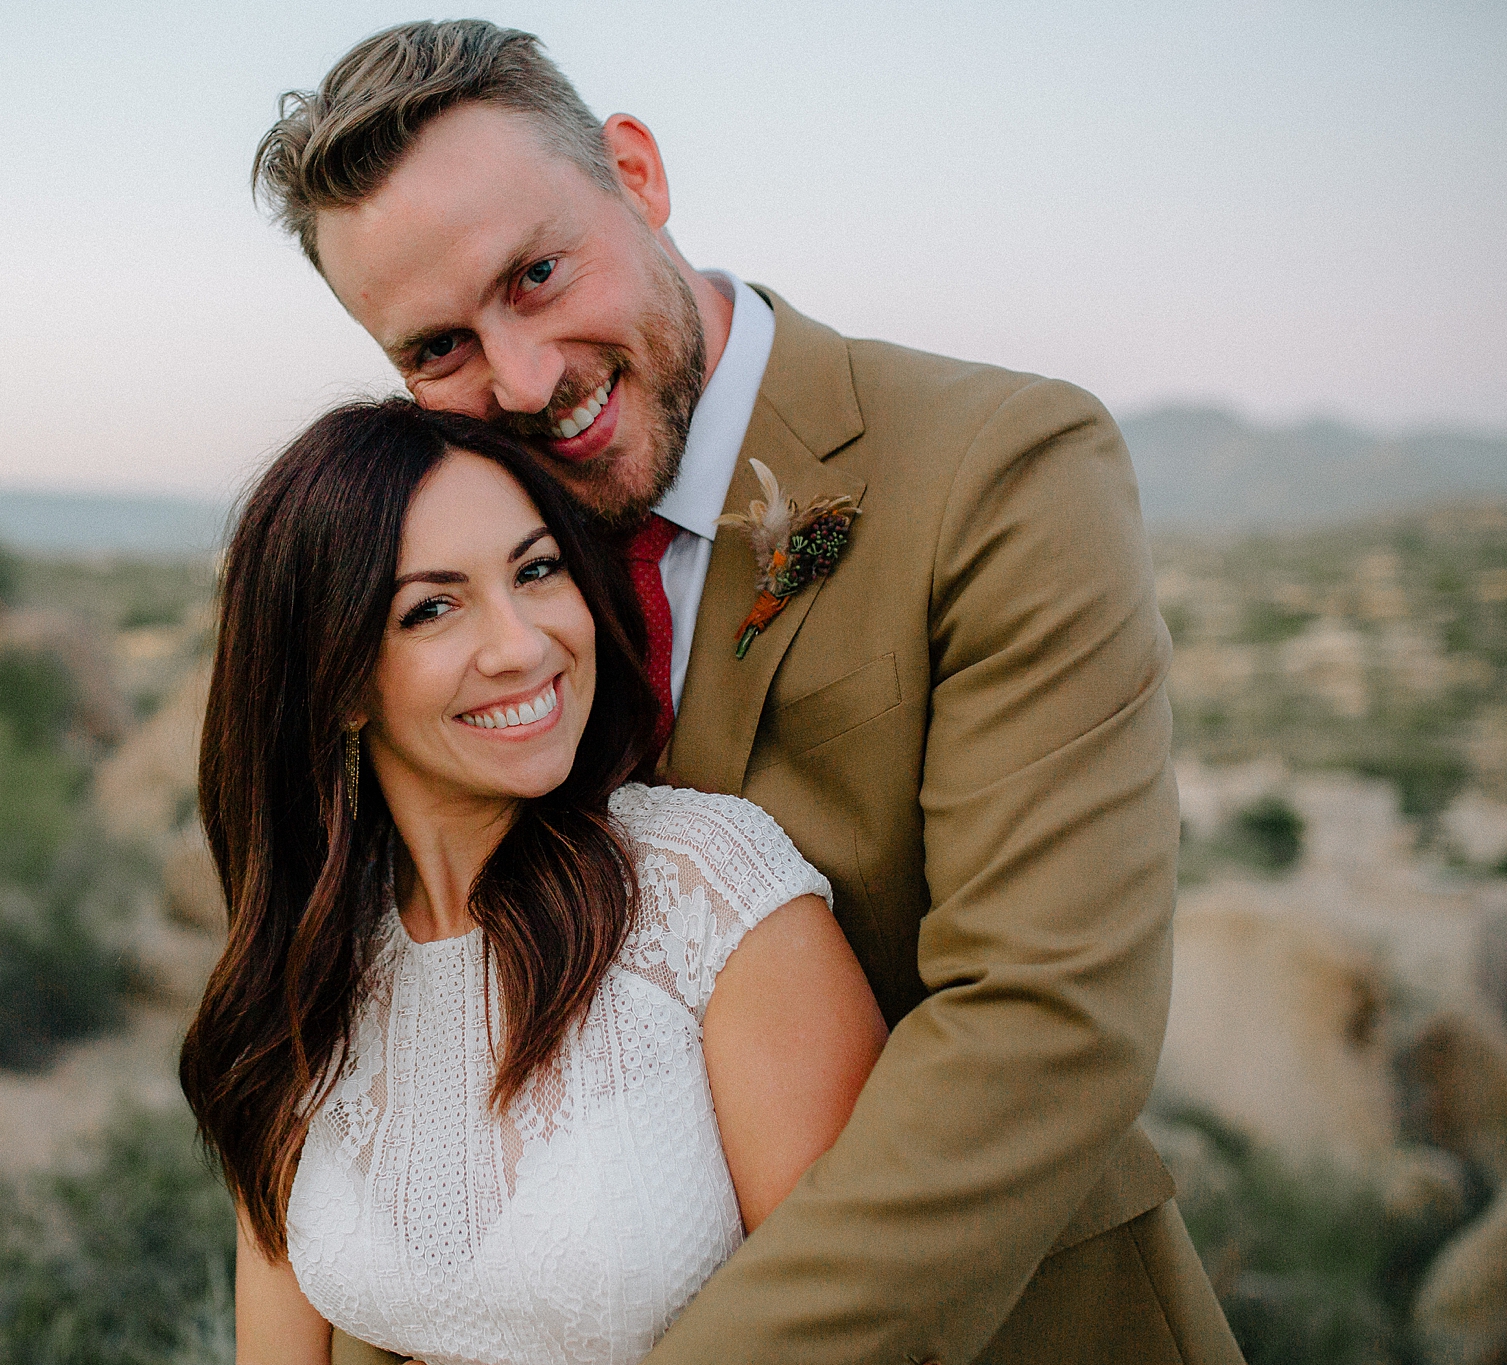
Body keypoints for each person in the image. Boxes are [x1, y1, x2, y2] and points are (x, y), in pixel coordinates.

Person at [250, 20, 1244, 1365]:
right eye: (439, 347)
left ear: (638, 175)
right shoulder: (486, 565)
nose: (527, 381)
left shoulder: (995, 469)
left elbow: (1045, 1023)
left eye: (538, 273)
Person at [182, 400, 887, 1365]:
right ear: (338, 682)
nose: (521, 644)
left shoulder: (710, 890)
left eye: (536, 569)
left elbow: (864, 1331)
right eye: (432, 606)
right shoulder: (312, 970)